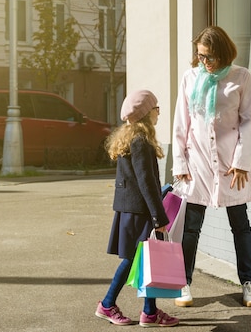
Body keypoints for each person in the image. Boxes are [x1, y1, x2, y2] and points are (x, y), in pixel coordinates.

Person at [172, 26, 251, 308]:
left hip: (231, 165)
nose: (205, 63)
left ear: (223, 54)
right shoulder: (190, 77)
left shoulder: (241, 77)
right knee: (190, 227)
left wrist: (241, 161)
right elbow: (180, 124)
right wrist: (179, 163)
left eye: (209, 57)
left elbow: (249, 121)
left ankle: (249, 283)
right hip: (197, 162)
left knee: (240, 224)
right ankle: (183, 283)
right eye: (200, 56)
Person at [95, 89, 179, 327]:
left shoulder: (131, 137)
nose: (159, 112)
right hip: (138, 212)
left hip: (131, 210)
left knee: (144, 260)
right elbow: (146, 182)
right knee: (134, 260)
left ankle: (149, 313)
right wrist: (158, 216)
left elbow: (138, 182)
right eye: (156, 108)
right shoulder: (141, 141)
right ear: (146, 113)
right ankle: (107, 304)